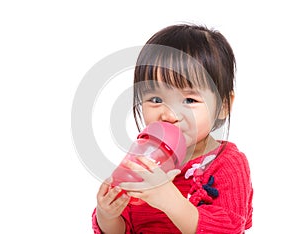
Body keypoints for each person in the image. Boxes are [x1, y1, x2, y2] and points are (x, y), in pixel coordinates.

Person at [92, 24, 253, 233]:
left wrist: (168, 198)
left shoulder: (227, 164)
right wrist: (108, 216)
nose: (169, 115)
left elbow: (229, 228)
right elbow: (124, 228)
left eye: (189, 99)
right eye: (156, 99)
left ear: (223, 105)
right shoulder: (144, 160)